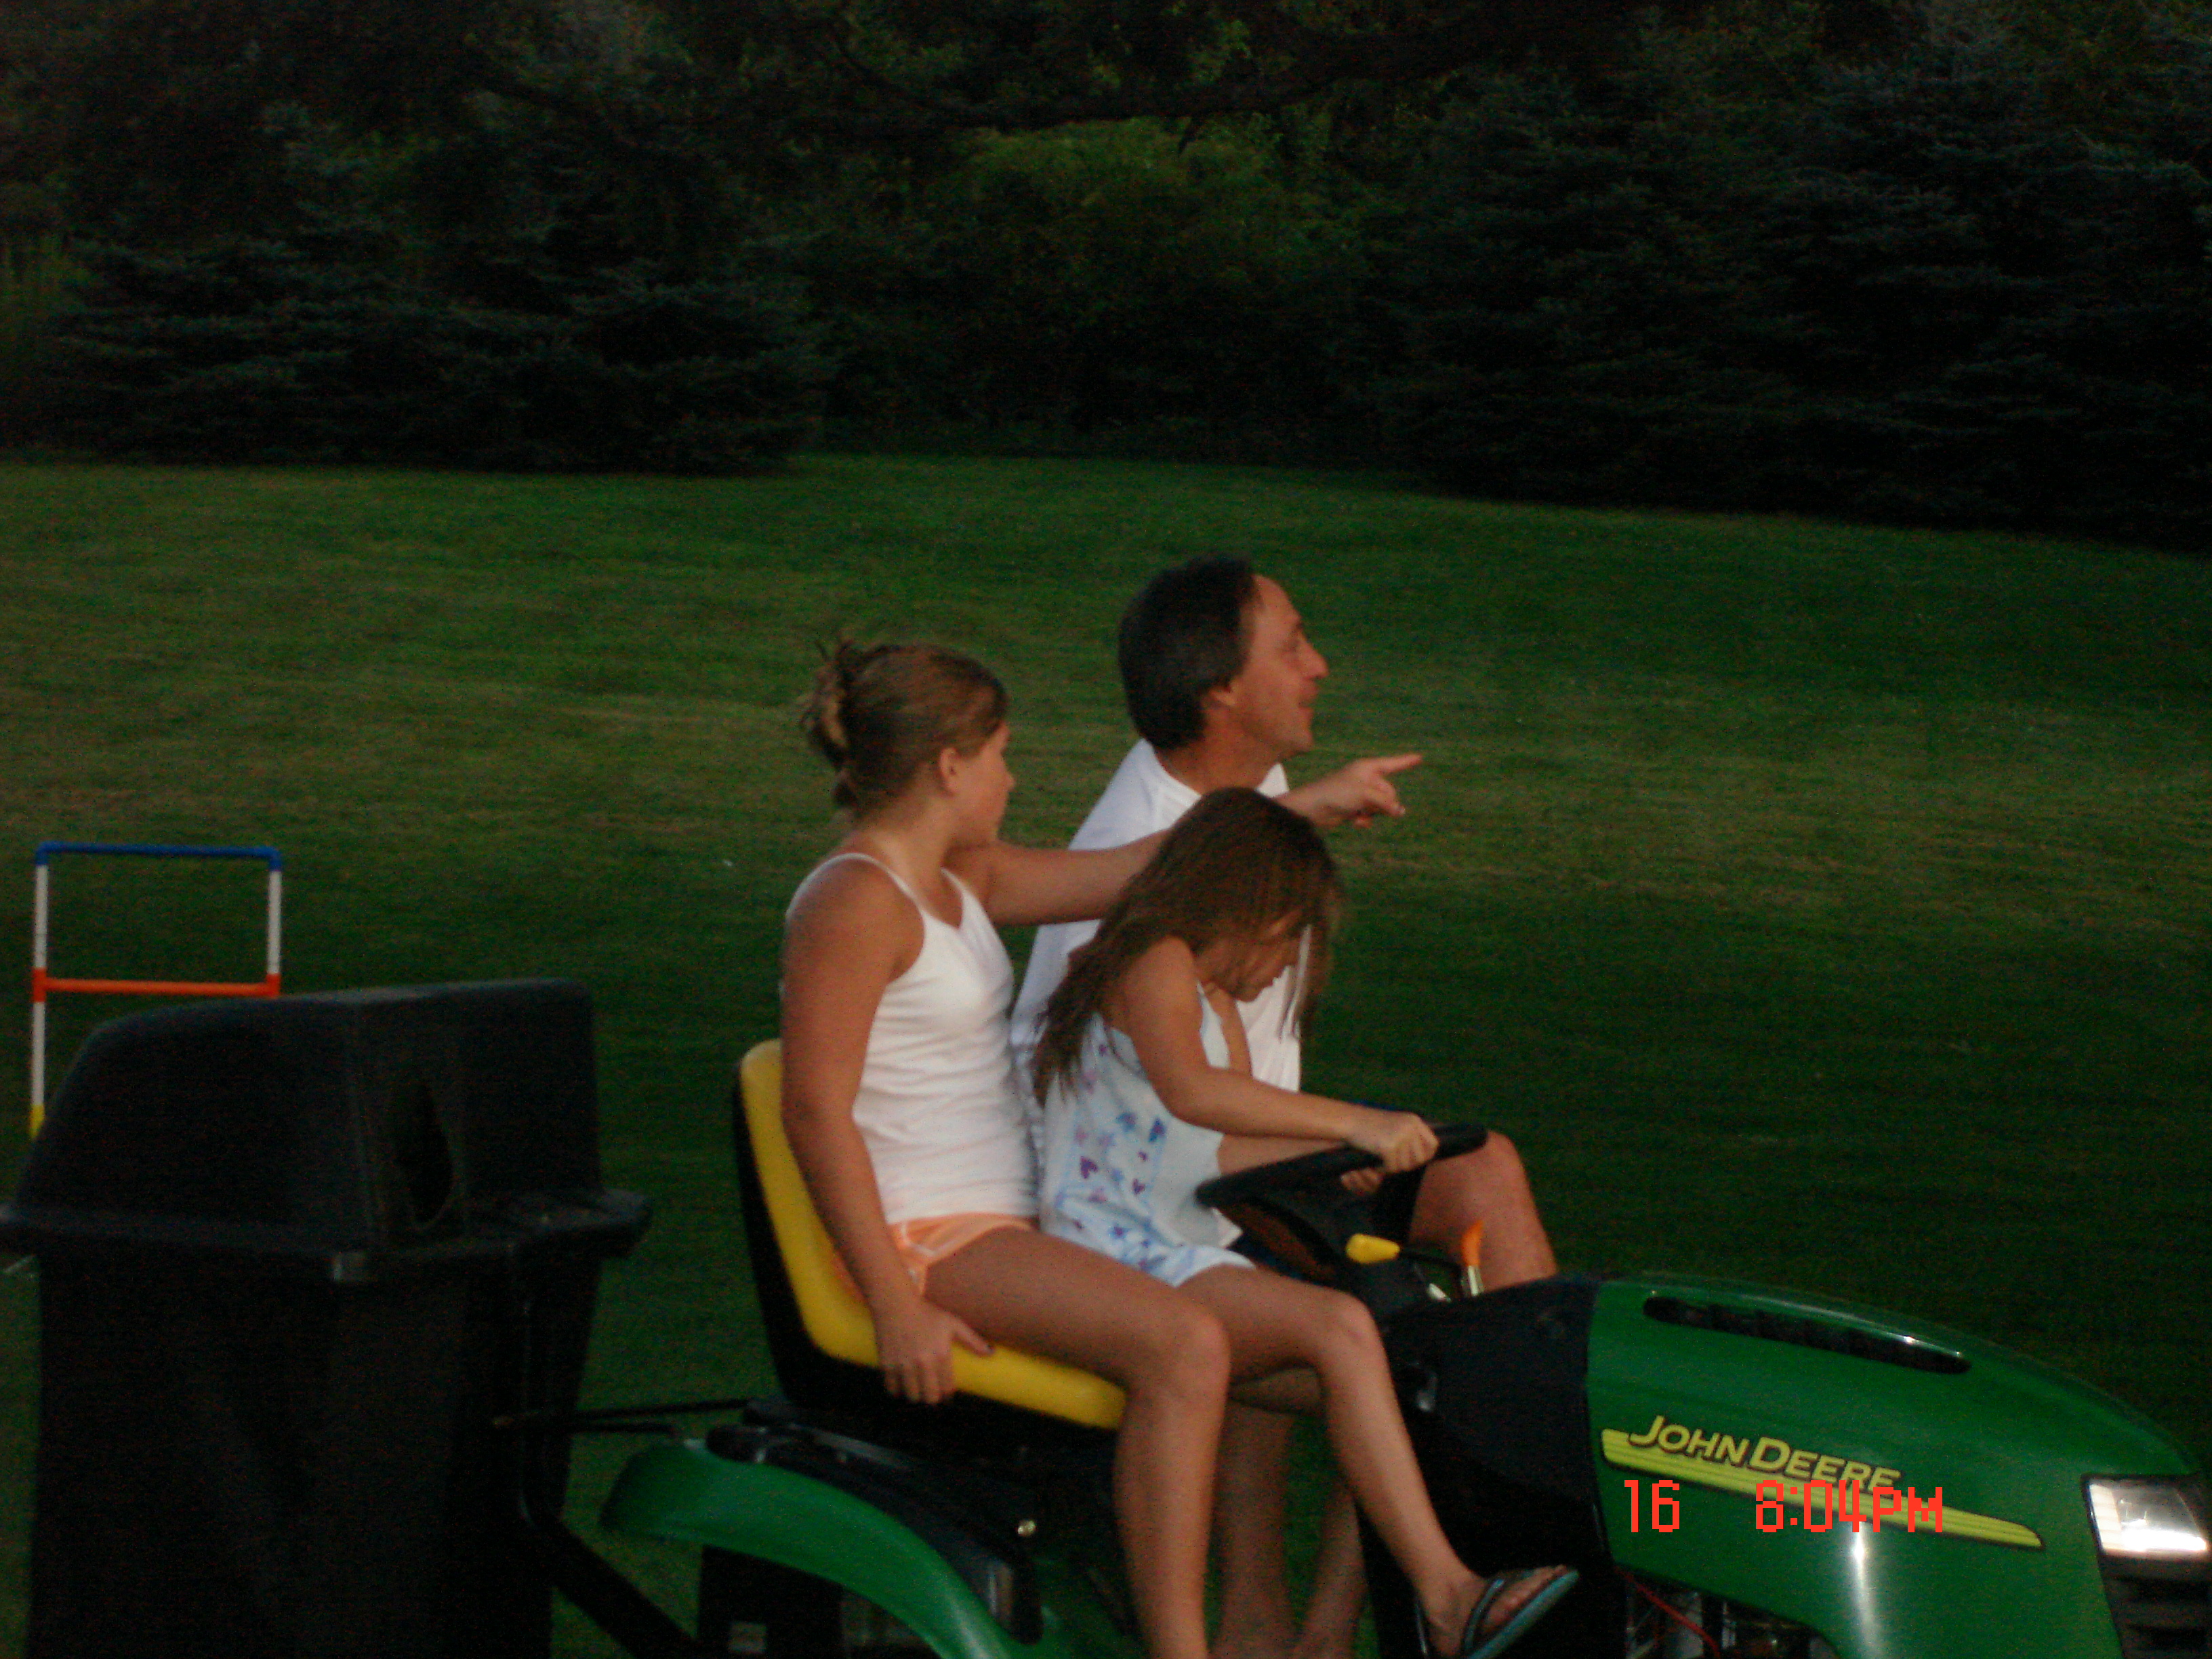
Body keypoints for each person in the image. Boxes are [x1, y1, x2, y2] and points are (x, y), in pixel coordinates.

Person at [779, 640, 1408, 1659]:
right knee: (1184, 1344)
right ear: (949, 766)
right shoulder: (854, 899)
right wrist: (895, 1304)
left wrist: (1304, 811)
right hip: (931, 1239)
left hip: (1008, 1230)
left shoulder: (959, 882)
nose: (1012, 779)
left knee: (1359, 1348)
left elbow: (1147, 872)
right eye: (1000, 756)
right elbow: (814, 1110)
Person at [1010, 556, 1558, 1658]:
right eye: (1292, 643)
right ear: (1219, 687)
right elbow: (1164, 1089)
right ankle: (1477, 1542)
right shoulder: (1142, 889)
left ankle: (1333, 1619)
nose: (1321, 665)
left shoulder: (1230, 834)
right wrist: (1339, 1131)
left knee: (1413, 1299)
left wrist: (1312, 1155)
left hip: (1213, 1178)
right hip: (1138, 1209)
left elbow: (1212, 1104)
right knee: (1389, 1322)